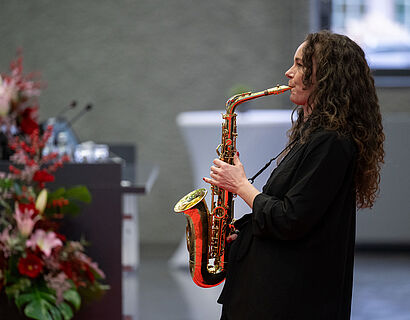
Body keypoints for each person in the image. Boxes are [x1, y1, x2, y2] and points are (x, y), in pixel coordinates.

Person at [203, 30, 385, 320]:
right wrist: (244, 232)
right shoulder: (314, 135)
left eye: (300, 65)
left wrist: (240, 185)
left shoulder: (332, 142)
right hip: (278, 290)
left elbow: (291, 219)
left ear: (326, 77)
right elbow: (294, 215)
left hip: (290, 299)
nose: (289, 73)